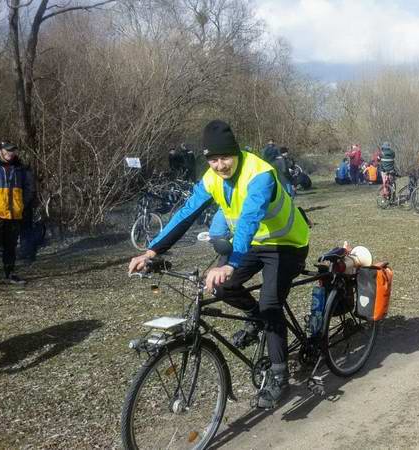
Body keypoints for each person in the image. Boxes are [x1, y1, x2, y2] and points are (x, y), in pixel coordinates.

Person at [128, 120, 310, 409]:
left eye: (224, 157)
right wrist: (152, 251)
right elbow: (186, 213)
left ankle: (279, 376)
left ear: (236, 152)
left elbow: (249, 217)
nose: (219, 165)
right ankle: (256, 318)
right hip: (254, 244)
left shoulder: (259, 173)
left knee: (271, 303)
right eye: (212, 159)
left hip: (287, 244)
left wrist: (231, 262)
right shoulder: (211, 178)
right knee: (222, 287)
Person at [0, 141, 33, 284]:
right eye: (7, 151)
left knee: (10, 247)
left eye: (12, 151)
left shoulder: (20, 168)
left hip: (14, 214)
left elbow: (29, 188)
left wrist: (22, 204)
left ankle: (10, 274)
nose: (10, 154)